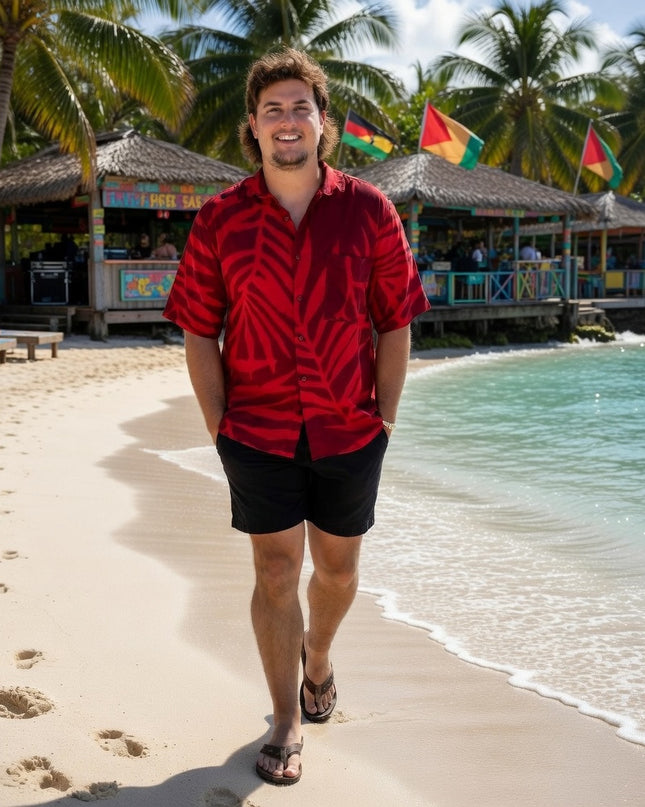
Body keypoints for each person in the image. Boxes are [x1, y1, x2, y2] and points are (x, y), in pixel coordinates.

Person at [163, 48, 429, 787]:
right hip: (255, 429)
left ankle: (319, 657)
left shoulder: (369, 211)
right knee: (276, 569)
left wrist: (387, 419)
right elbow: (197, 328)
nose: (287, 121)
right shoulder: (220, 219)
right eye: (272, 109)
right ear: (252, 125)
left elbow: (395, 320)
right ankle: (285, 718)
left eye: (299, 107)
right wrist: (219, 427)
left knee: (337, 571)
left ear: (323, 123)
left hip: (350, 426)